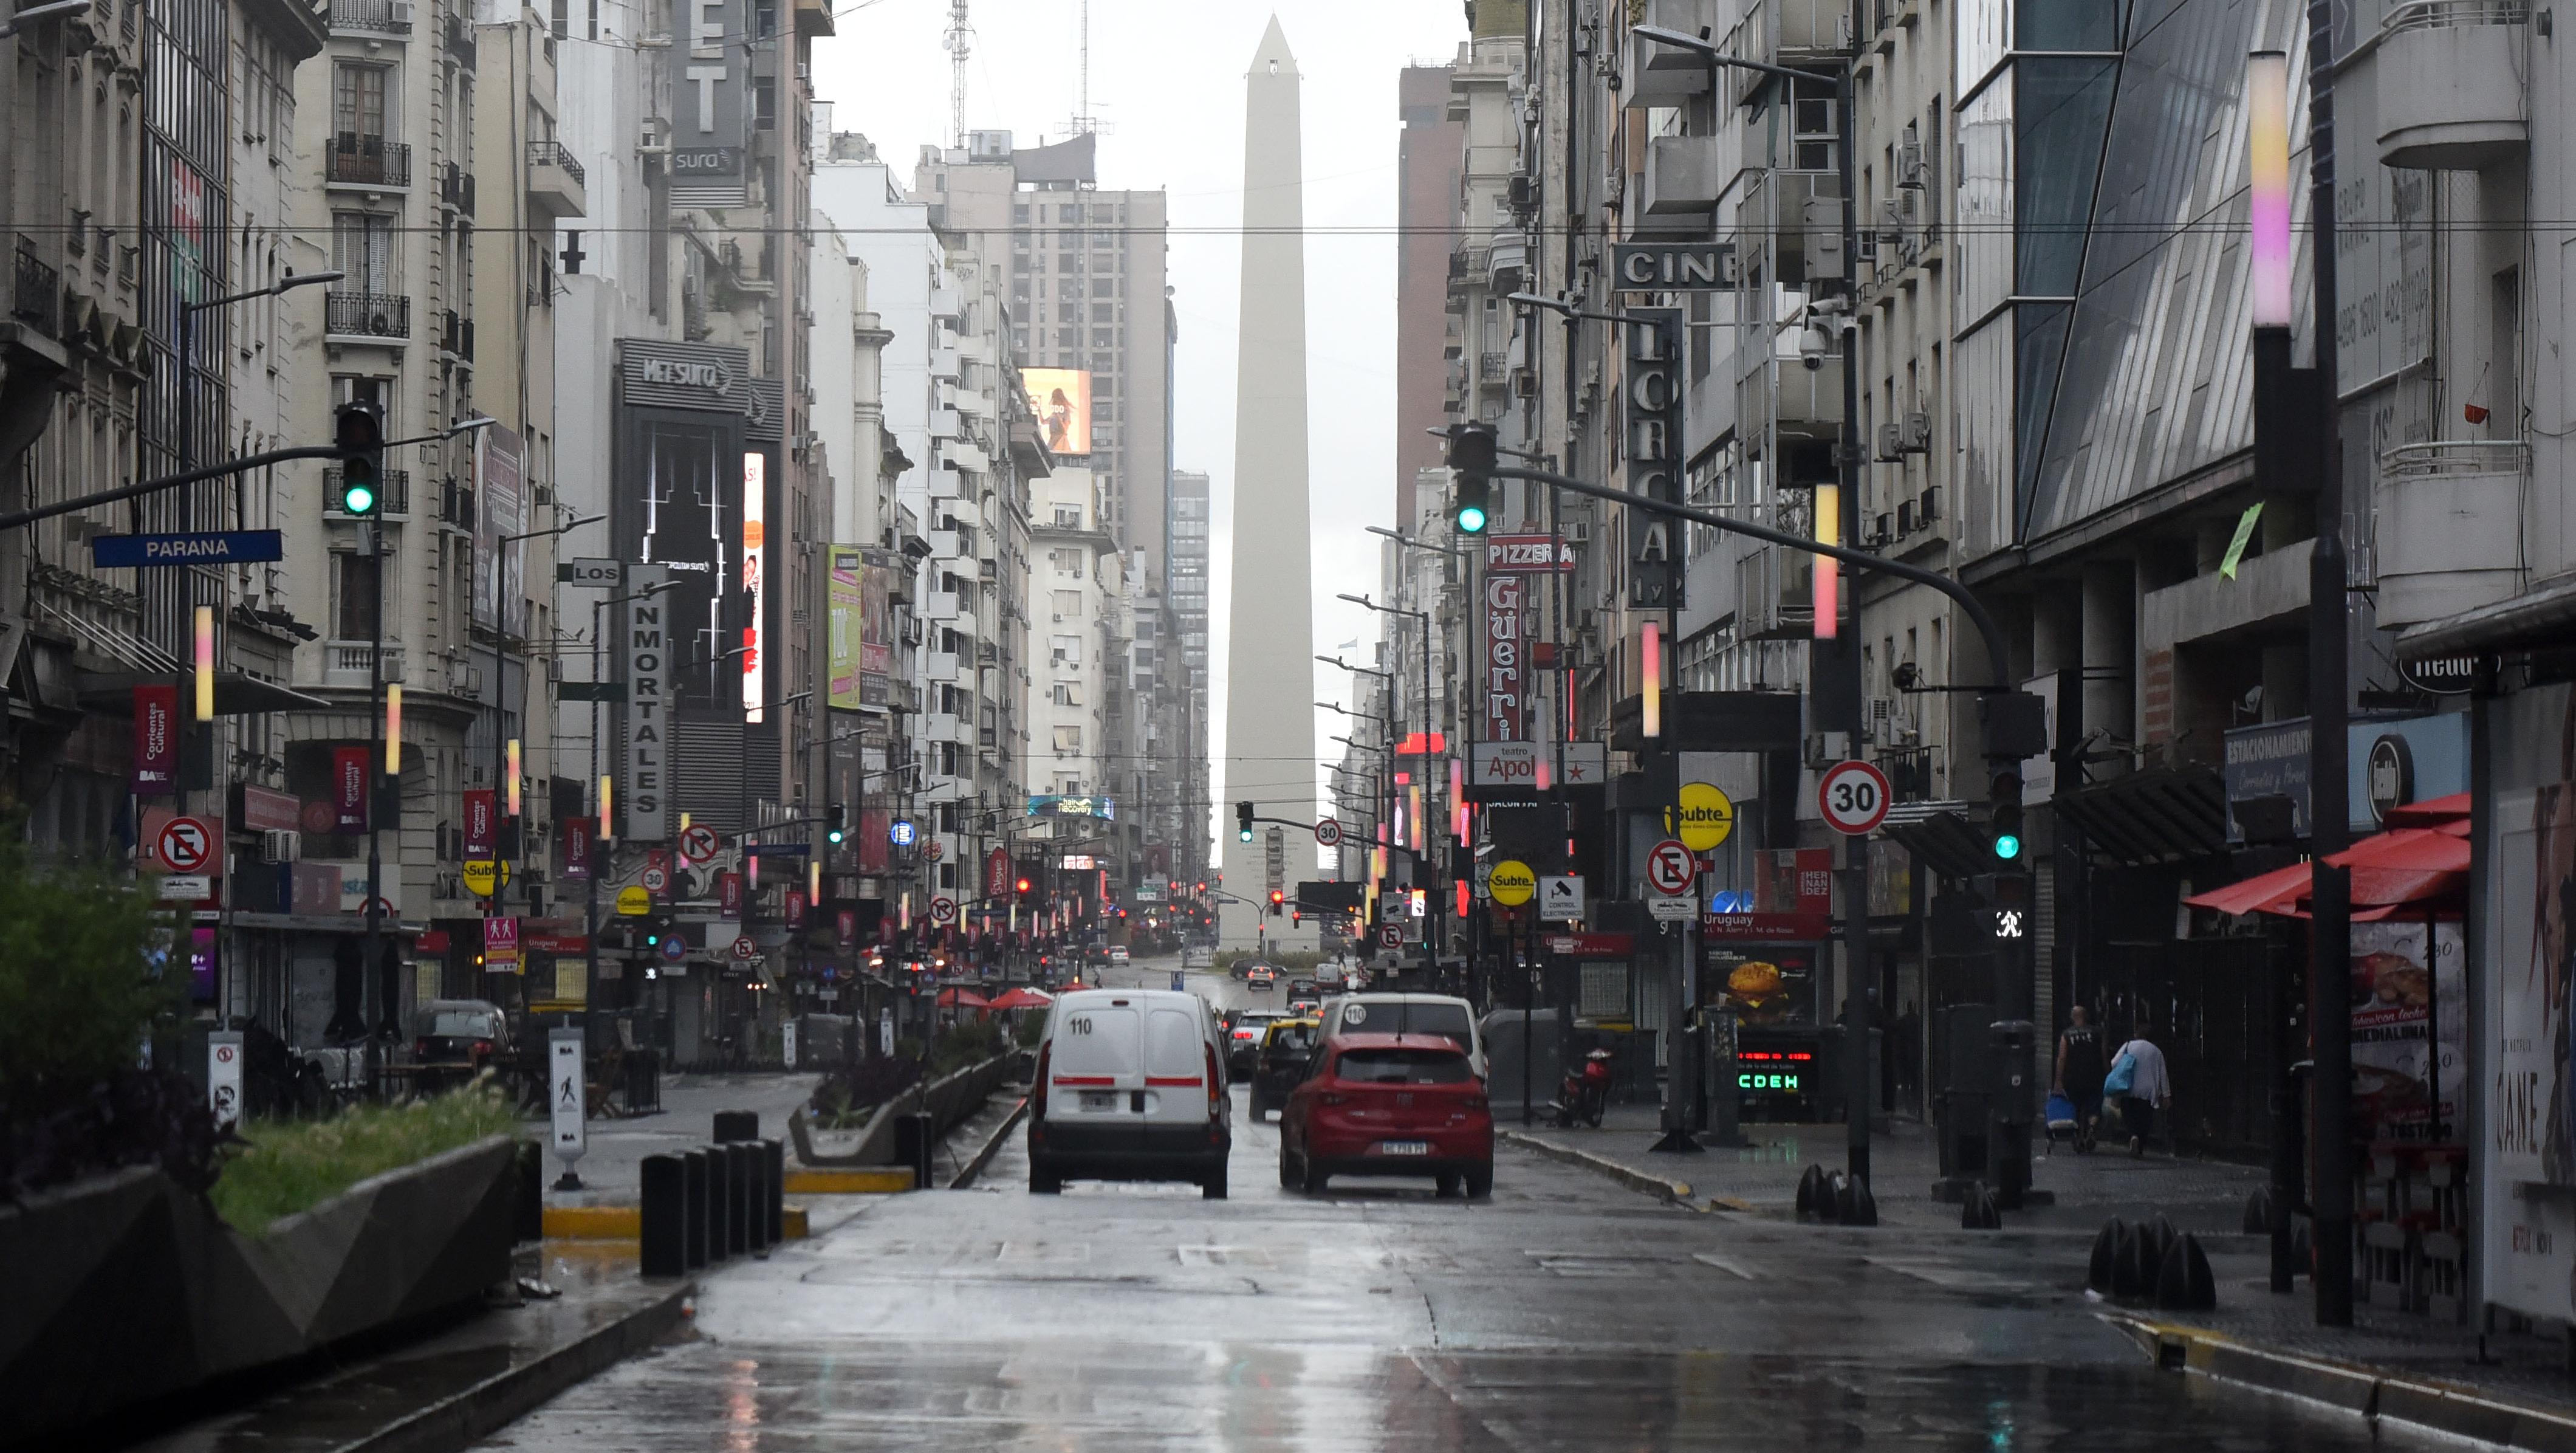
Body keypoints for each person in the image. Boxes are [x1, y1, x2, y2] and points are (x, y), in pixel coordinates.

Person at [2106, 1026, 2171, 1157]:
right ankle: (2140, 1144)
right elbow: (2163, 1074)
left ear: (2137, 1034)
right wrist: (2166, 1095)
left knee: (2129, 1116)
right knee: (2145, 1119)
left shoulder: (2129, 1046)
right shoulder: (2156, 1051)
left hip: (2129, 1088)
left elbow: (2114, 1063)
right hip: (2148, 1090)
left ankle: (2133, 1136)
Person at [2053, 1004, 2107, 1147]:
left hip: (2073, 1078)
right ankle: (2092, 1128)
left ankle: (2078, 1136)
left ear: (2072, 1018)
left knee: (2075, 1107)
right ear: (2086, 1017)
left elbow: (2062, 1058)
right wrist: (2107, 1073)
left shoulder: (2067, 1034)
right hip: (2094, 1077)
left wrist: (2058, 1080)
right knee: (2094, 1107)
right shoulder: (2098, 1033)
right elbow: (2104, 1055)